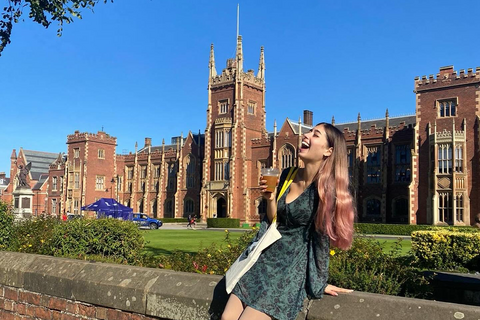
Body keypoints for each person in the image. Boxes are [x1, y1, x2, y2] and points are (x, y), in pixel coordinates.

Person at [221, 123, 356, 320]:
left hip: (289, 270)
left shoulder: (326, 191)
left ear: (329, 151)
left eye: (315, 134)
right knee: (227, 318)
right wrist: (270, 198)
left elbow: (320, 241)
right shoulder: (287, 175)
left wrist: (319, 282)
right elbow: (273, 219)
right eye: (309, 131)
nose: (307, 135)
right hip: (263, 260)